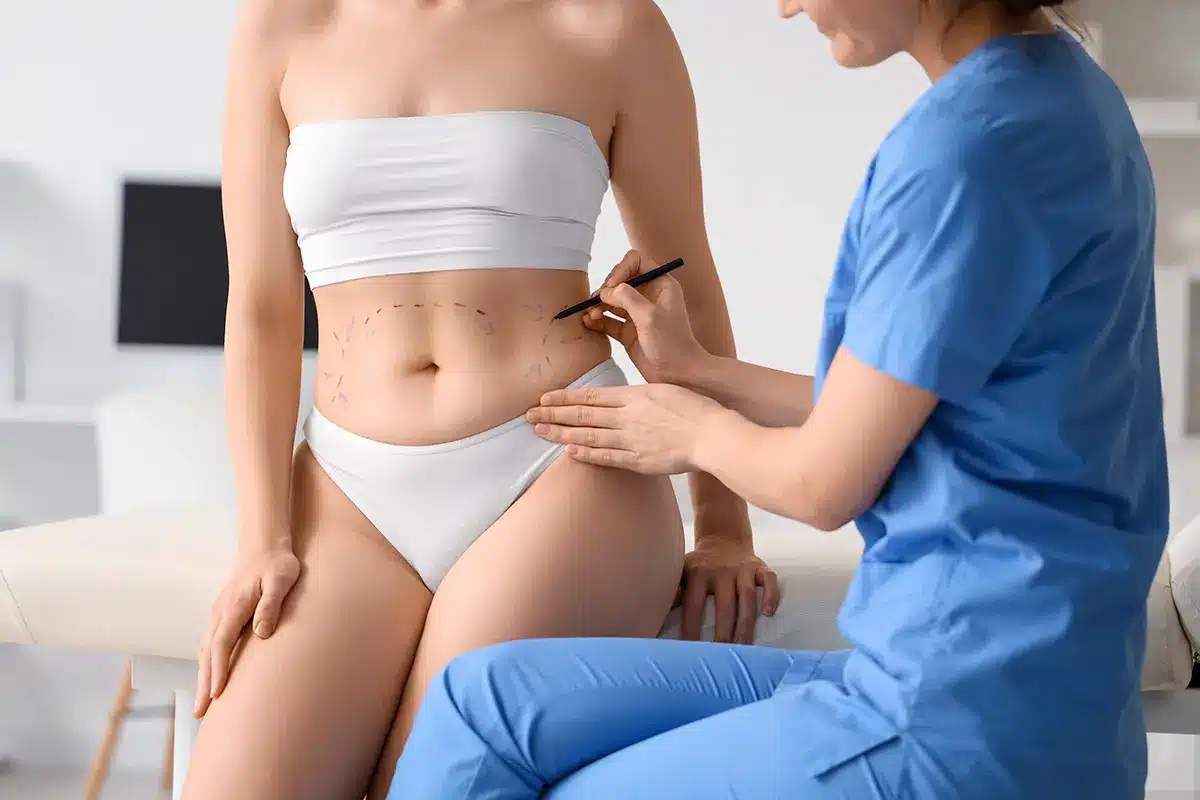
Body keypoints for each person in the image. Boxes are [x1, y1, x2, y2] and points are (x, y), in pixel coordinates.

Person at [386, 1, 1170, 798]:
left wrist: (692, 431)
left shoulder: (965, 152)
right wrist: (696, 370)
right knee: (480, 701)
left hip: (954, 724)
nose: (787, 3)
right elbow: (906, 413)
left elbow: (823, 485)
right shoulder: (1064, 92)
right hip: (1034, 696)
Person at [185, 0, 782, 798]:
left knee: (431, 785)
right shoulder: (284, 25)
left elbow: (684, 285)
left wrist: (721, 525)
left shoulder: (608, 24)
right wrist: (264, 537)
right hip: (345, 487)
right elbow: (259, 305)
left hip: (562, 464)